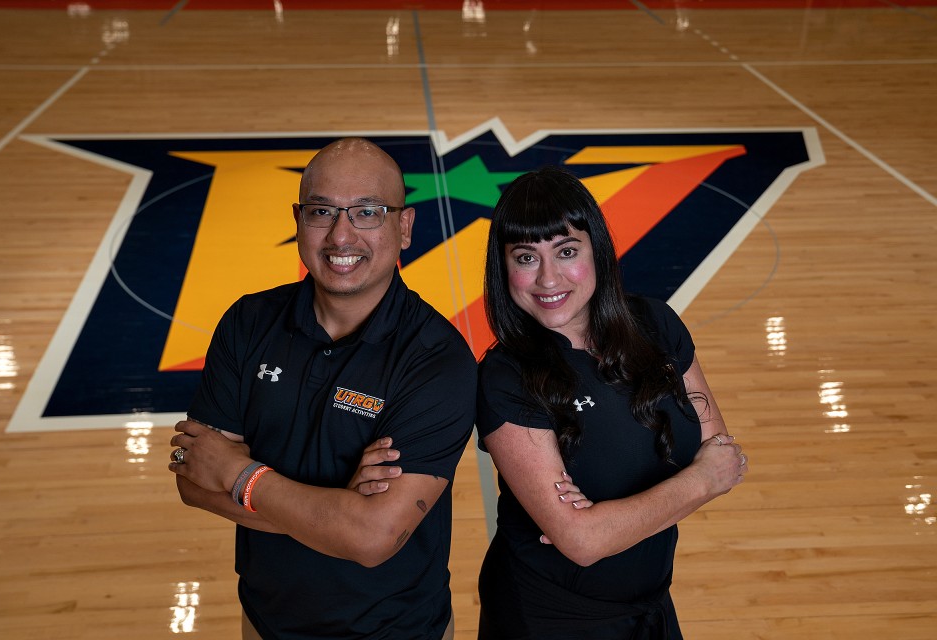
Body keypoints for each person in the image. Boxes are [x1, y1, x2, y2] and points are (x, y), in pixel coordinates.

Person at [167, 138, 477, 640]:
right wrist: (334, 516)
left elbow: (373, 538)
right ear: (298, 222)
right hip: (264, 621)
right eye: (321, 211)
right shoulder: (248, 322)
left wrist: (237, 473)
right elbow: (191, 478)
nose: (341, 236)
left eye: (367, 212)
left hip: (396, 630)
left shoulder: (437, 360)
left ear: (404, 227)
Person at [475, 166, 748, 639]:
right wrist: (698, 480)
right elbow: (582, 542)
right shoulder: (506, 376)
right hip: (549, 617)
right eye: (525, 257)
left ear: (596, 250)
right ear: (504, 269)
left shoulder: (655, 325)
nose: (547, 278)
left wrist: (609, 519)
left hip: (651, 601)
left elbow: (720, 449)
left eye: (566, 251)